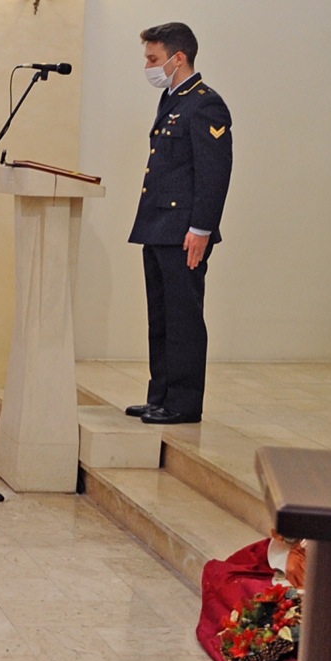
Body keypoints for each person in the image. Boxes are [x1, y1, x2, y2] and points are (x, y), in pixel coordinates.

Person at [125, 21, 232, 425]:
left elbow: (213, 172)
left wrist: (202, 229)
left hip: (185, 230)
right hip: (158, 226)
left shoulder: (204, 103)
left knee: (184, 317)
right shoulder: (173, 99)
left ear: (178, 57)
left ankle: (183, 402)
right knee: (162, 316)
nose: (149, 66)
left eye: (154, 59)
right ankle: (161, 396)